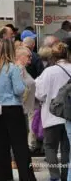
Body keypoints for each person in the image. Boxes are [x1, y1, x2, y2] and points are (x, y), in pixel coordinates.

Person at [0, 39, 36, 181]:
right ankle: (25, 177)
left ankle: (4, 176)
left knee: (2, 145)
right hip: (14, 108)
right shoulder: (13, 68)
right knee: (20, 146)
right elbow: (19, 89)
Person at [35, 42, 71, 181]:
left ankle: (54, 176)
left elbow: (40, 94)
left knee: (50, 147)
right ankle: (65, 176)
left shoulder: (48, 72)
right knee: (66, 148)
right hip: (68, 115)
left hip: (51, 114)